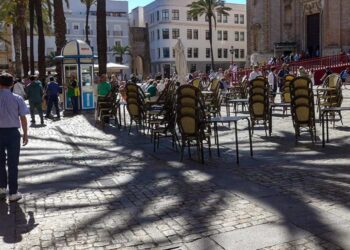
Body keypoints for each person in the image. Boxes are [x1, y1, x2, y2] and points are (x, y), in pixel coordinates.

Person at [0, 73, 29, 202]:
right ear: (12, 84)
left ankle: (1, 188)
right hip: (13, 134)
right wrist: (25, 134)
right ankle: (13, 193)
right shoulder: (18, 99)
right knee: (13, 163)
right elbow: (23, 118)